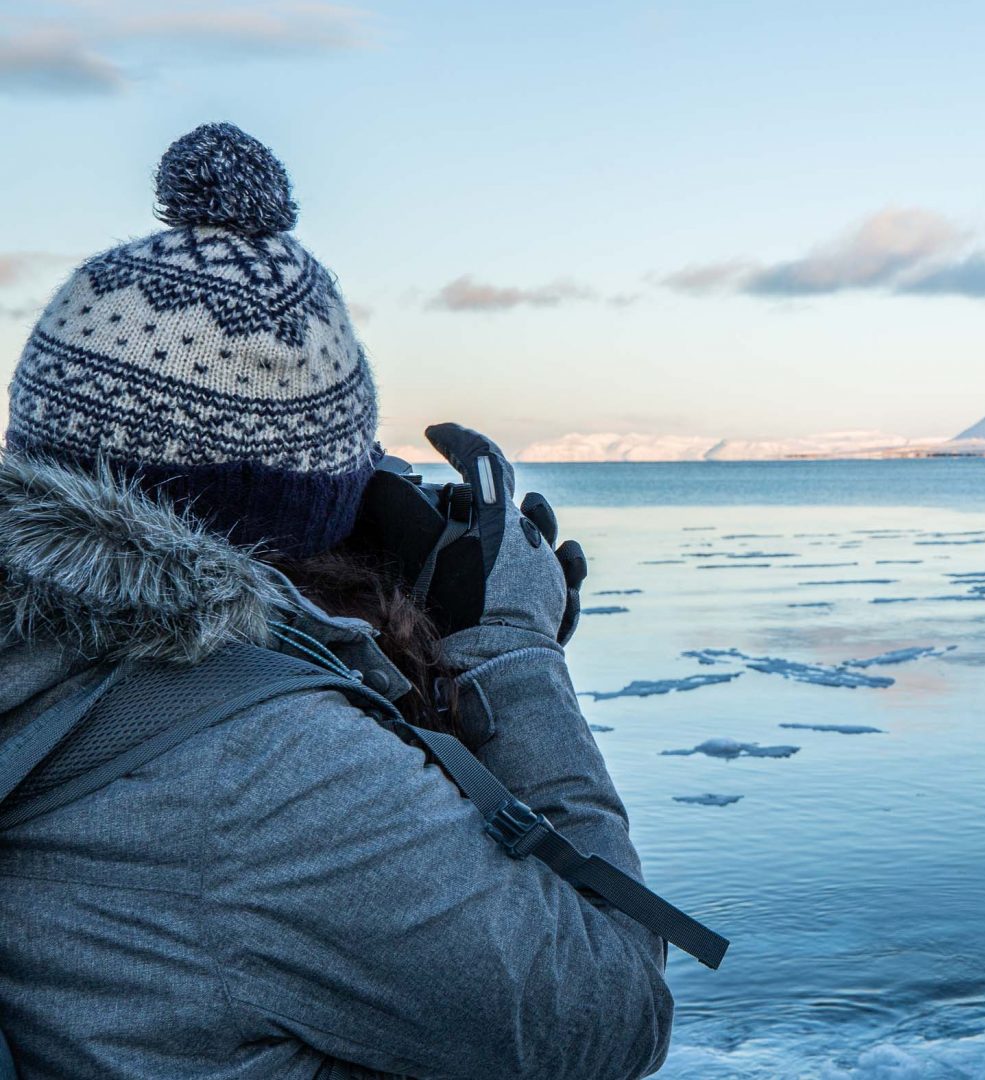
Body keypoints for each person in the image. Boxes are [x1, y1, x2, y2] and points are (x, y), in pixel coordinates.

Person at [0, 124, 673, 1078]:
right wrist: (513, 656)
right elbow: (609, 1015)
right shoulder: (267, 771)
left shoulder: (40, 664)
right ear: (322, 504)